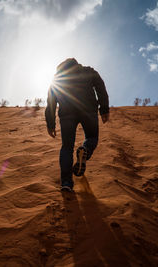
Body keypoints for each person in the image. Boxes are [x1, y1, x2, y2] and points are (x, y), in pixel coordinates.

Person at [45, 58, 109, 192]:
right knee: (92, 138)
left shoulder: (58, 79)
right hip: (88, 109)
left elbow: (51, 102)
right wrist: (104, 109)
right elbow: (100, 87)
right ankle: (85, 149)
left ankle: (67, 183)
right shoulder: (87, 71)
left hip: (67, 114)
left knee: (67, 147)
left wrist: (50, 124)